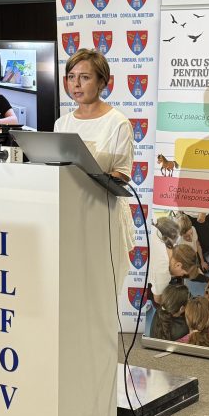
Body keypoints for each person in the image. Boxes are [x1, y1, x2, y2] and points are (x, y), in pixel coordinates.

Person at [55, 49, 135, 287]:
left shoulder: (118, 123)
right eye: (71, 77)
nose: (76, 84)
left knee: (103, 289)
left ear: (102, 82)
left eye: (85, 77)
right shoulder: (62, 123)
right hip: (71, 216)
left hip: (104, 215)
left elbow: (122, 173)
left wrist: (89, 178)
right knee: (73, 287)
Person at [148, 217, 201, 305]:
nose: (181, 276)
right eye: (183, 274)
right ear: (178, 265)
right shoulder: (162, 271)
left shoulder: (165, 240)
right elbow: (158, 300)